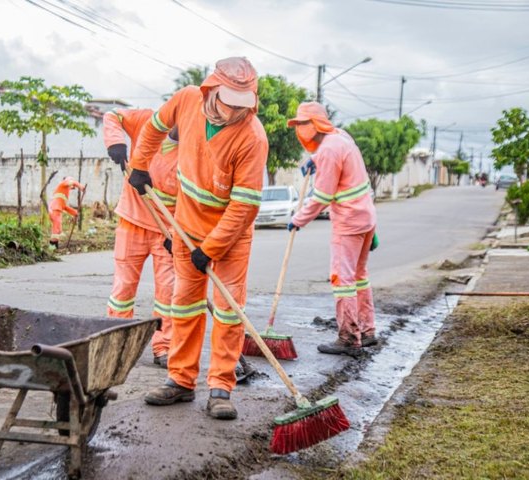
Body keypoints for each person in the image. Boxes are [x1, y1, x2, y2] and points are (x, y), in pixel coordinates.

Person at [128, 57, 268, 420]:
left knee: (227, 311)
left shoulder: (252, 137)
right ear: (211, 91)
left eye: (244, 105)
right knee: (184, 306)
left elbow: (244, 206)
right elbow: (154, 128)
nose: (237, 112)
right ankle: (180, 381)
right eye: (229, 102)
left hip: (231, 237)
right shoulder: (188, 100)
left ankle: (221, 388)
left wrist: (212, 248)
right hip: (187, 226)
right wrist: (139, 164)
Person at [286, 102, 377, 358]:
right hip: (366, 216)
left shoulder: (329, 149)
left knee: (342, 279)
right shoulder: (340, 137)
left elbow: (322, 197)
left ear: (315, 125)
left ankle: (349, 338)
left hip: (349, 222)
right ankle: (367, 331)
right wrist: (313, 161)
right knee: (359, 276)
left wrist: (298, 219)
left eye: (302, 124)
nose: (299, 130)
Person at [103, 108, 179, 368]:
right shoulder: (147, 119)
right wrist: (116, 142)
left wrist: (179, 234)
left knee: (167, 294)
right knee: (123, 289)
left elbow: (194, 199)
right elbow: (112, 115)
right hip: (131, 221)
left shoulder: (195, 148)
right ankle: (119, 343)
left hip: (166, 230)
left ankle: (164, 346)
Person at [47, 176, 85, 248]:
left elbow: (64, 207)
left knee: (58, 230)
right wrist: (81, 187)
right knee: (56, 228)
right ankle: (52, 248)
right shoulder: (63, 184)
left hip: (57, 209)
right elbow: (73, 182)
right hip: (55, 209)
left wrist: (74, 212)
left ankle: (54, 248)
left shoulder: (63, 192)